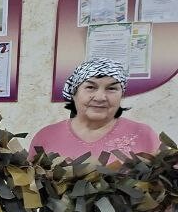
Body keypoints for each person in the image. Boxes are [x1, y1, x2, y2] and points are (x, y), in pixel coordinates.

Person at [30, 59, 159, 164]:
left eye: (111, 88)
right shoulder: (46, 137)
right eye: (90, 87)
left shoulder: (143, 135)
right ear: (74, 93)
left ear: (122, 95)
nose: (100, 97)